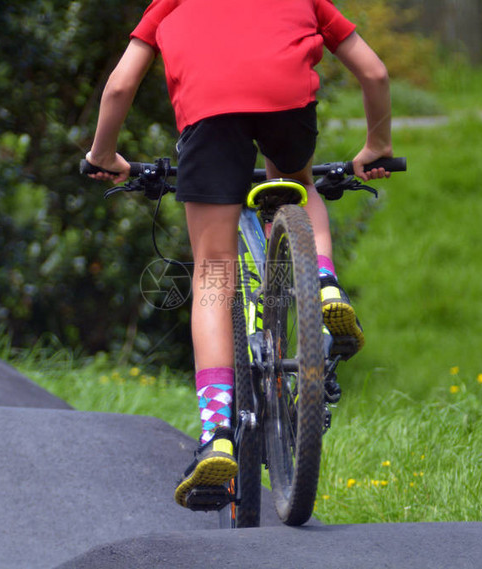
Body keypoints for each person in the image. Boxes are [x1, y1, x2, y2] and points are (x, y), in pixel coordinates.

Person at [84, 0, 393, 509]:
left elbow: (119, 86)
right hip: (286, 105)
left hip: (210, 115)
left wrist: (102, 155)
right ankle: (324, 281)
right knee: (295, 183)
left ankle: (217, 435)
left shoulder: (170, 3)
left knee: (213, 271)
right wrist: (377, 144)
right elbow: (375, 71)